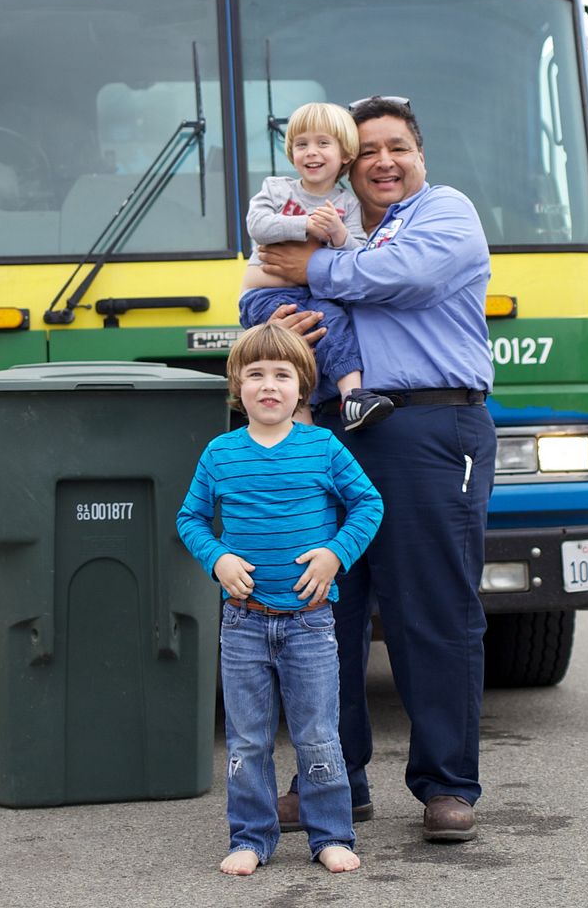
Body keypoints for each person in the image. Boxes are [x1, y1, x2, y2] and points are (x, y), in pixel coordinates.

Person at [260, 95, 496, 843]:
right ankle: (335, 782)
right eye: (367, 151)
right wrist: (276, 320)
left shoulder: (445, 212)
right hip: (330, 429)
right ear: (344, 162)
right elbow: (267, 278)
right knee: (322, 614)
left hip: (427, 424)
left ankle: (446, 787)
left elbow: (409, 279)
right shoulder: (324, 218)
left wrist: (318, 267)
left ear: (420, 156)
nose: (383, 161)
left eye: (397, 147)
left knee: (430, 611)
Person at [175, 323, 384, 876]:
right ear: (236, 386)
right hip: (243, 622)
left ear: (303, 387)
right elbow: (190, 518)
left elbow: (368, 505)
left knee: (318, 735)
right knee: (247, 739)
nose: (269, 386)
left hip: (311, 624)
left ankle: (331, 835)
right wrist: (216, 558)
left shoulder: (323, 447)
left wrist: (335, 554)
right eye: (256, 375)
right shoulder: (220, 453)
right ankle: (251, 837)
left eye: (283, 375)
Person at [239, 101, 393, 432]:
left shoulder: (348, 203)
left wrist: (338, 236)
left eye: (323, 143)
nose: (311, 152)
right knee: (292, 342)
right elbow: (258, 225)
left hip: (317, 293)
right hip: (267, 293)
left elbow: (358, 253)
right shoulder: (277, 189)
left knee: (334, 322)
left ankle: (354, 397)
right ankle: (298, 415)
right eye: (301, 144)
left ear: (345, 155)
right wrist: (305, 225)